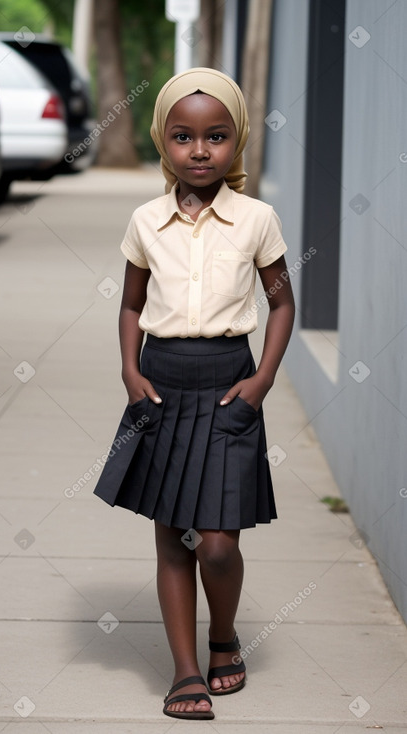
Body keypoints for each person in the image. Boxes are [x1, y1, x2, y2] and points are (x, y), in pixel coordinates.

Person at [93, 67, 295, 720]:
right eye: (183, 136)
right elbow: (129, 305)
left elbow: (281, 303)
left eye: (215, 136)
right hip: (163, 384)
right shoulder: (145, 221)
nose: (199, 150)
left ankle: (222, 635)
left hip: (229, 385)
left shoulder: (256, 219)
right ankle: (185, 671)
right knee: (173, 537)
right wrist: (131, 371)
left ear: (235, 144)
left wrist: (260, 380)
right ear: (162, 142)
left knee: (218, 543)